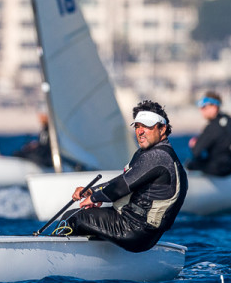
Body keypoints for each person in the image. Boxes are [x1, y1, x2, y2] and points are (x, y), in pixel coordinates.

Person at [58, 100, 187, 253]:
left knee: (74, 217)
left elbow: (121, 187)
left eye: (147, 126)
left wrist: (95, 198)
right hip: (140, 231)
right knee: (81, 217)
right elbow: (124, 180)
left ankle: (57, 256)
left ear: (162, 129)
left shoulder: (158, 157)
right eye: (138, 126)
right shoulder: (150, 154)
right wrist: (92, 191)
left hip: (135, 230)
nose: (140, 131)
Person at [185, 90, 231, 176]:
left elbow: (196, 152)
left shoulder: (213, 126)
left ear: (214, 107)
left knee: (191, 164)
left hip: (218, 168)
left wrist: (193, 144)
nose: (201, 110)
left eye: (204, 107)